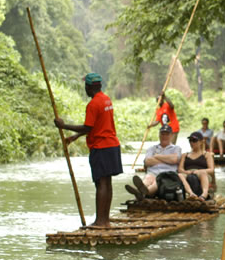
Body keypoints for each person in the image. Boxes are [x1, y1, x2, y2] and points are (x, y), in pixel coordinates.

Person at [54, 73, 122, 228]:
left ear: (90, 87)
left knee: (101, 183)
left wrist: (64, 126)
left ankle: (100, 221)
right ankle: (105, 220)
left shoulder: (93, 104)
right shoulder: (106, 99)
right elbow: (96, 125)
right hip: (112, 145)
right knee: (107, 182)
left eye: (86, 86)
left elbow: (88, 127)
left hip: (101, 146)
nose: (85, 88)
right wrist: (75, 136)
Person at [126, 124, 181, 200]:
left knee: (157, 182)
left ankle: (142, 193)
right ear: (159, 135)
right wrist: (167, 159)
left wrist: (157, 156)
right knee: (148, 178)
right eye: (162, 134)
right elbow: (148, 162)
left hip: (166, 175)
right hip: (152, 173)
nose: (164, 136)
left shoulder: (176, 148)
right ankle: (141, 190)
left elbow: (174, 160)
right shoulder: (152, 148)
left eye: (167, 134)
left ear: (171, 135)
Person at [178, 131, 214, 200]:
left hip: (203, 174)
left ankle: (204, 194)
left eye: (194, 140)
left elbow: (211, 170)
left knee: (202, 173)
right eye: (190, 140)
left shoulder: (207, 154)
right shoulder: (185, 155)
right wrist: (187, 172)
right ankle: (191, 193)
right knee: (180, 175)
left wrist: (198, 171)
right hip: (188, 173)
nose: (192, 143)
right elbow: (180, 169)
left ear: (201, 142)